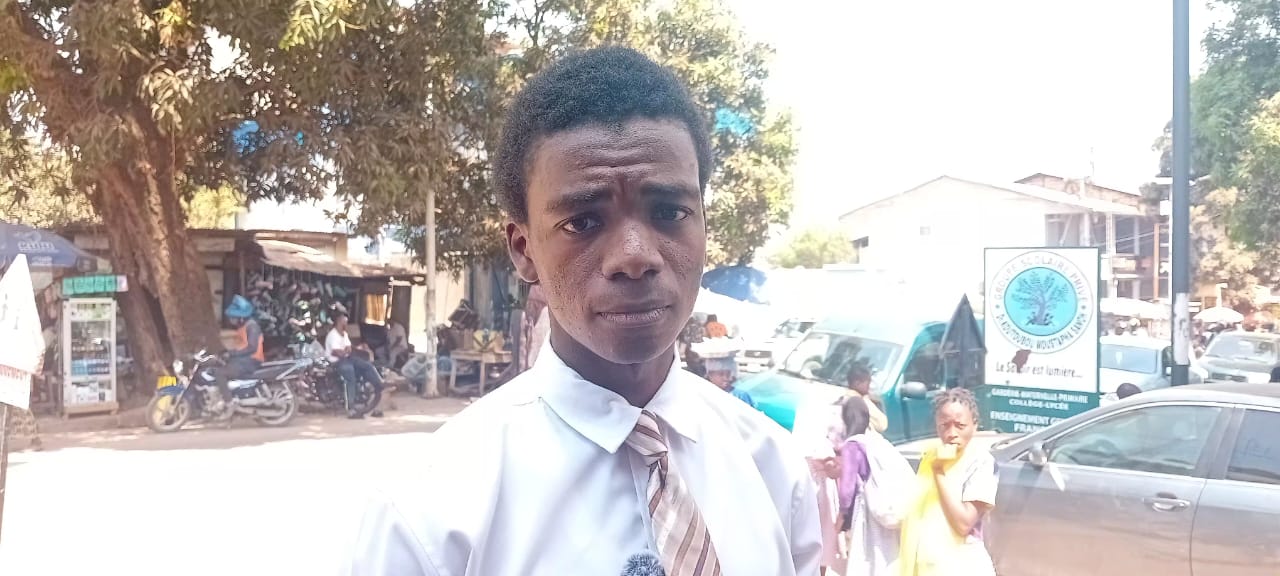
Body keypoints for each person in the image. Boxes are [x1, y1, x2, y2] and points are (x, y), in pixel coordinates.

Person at [345, 46, 821, 576]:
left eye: (670, 212)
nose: (635, 257)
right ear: (524, 250)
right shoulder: (428, 516)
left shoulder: (773, 471)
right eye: (583, 222)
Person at [900, 388, 998, 576]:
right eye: (944, 425)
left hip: (960, 566)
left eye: (960, 425)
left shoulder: (980, 461)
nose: (952, 433)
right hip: (927, 566)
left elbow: (963, 524)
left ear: (974, 425)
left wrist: (939, 472)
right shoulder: (930, 457)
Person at [839, 396, 915, 576]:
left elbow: (846, 491)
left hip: (869, 514)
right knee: (888, 559)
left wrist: (840, 519)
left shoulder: (853, 445)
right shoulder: (877, 441)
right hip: (889, 508)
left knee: (867, 561)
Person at [211, 295, 264, 414]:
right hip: (244, 359)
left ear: (241, 317)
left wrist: (232, 354)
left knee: (220, 374)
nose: (231, 320)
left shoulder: (252, 327)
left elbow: (252, 348)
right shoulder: (244, 326)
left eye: (233, 317)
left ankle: (229, 402)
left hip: (250, 360)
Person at [326, 313, 384, 419]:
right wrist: (344, 351)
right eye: (344, 322)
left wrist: (345, 351)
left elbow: (348, 349)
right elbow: (336, 353)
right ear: (339, 322)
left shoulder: (344, 334)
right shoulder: (332, 335)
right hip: (337, 362)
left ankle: (379, 384)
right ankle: (350, 407)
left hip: (347, 359)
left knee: (366, 365)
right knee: (350, 376)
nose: (346, 324)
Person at [847, 364, 889, 433]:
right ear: (857, 383)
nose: (869, 386)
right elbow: (882, 425)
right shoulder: (859, 401)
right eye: (868, 383)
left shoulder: (845, 396)